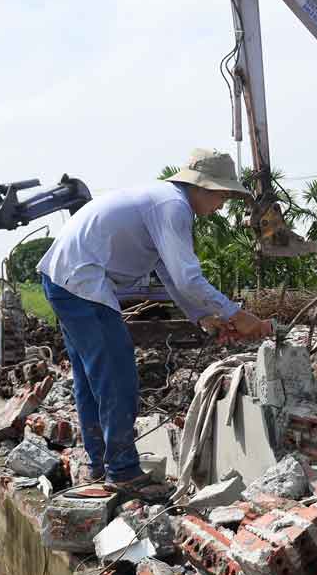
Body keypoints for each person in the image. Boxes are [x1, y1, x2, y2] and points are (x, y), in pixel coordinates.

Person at [37, 148, 272, 500]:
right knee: (116, 375)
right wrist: (237, 315)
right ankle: (123, 472)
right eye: (221, 195)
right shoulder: (173, 207)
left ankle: (100, 464)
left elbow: (167, 272)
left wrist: (201, 316)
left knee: (91, 378)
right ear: (200, 187)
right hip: (81, 280)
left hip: (64, 278)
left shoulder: (163, 200)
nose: (222, 204)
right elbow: (189, 278)